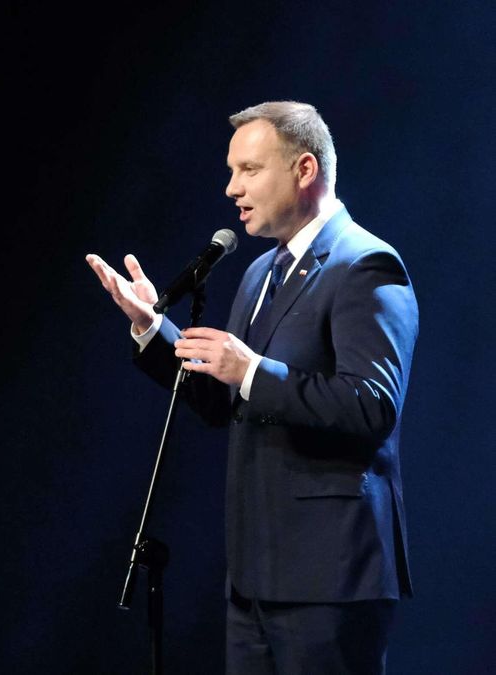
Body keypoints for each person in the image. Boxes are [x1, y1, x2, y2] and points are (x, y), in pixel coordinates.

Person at [86, 101, 418, 675]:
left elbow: (372, 406)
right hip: (253, 577)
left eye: (249, 169)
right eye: (231, 170)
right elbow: (222, 401)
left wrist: (252, 371)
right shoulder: (260, 273)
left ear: (304, 169)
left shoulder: (366, 265)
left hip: (330, 579)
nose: (231, 187)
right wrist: (153, 329)